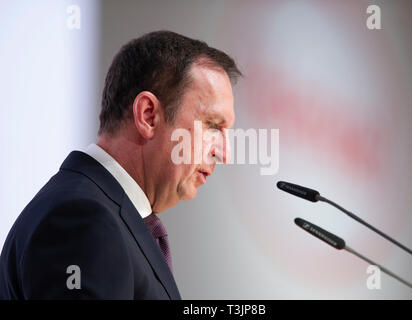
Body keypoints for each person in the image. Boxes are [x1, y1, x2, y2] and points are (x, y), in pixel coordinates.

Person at [0, 30, 241, 299]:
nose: (224, 153)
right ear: (148, 116)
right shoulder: (82, 220)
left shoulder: (105, 214)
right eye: (212, 126)